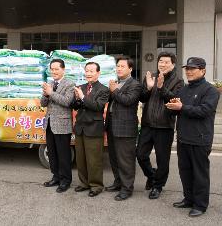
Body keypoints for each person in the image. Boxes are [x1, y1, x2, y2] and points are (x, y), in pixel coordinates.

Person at [166, 57, 219, 217]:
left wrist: (182, 107)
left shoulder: (211, 91)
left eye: (192, 69)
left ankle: (200, 205)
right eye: (187, 69)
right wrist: (172, 107)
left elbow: (204, 111)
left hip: (200, 139)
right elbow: (178, 109)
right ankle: (188, 199)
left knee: (200, 174)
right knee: (185, 171)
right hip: (183, 138)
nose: (188, 71)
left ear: (202, 70)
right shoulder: (183, 90)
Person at [137, 52, 184, 199]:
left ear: (173, 64)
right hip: (147, 124)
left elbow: (174, 100)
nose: (162, 64)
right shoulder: (151, 77)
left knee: (162, 159)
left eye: (166, 62)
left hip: (165, 126)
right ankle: (152, 175)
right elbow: (142, 98)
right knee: (140, 155)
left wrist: (161, 87)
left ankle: (158, 186)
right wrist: (150, 88)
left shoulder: (178, 81)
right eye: (160, 61)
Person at [105, 56, 141, 201]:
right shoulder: (117, 83)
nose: (119, 69)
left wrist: (114, 91)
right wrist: (112, 90)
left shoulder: (135, 85)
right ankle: (118, 182)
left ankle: (127, 188)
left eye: (122, 66)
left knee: (125, 159)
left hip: (126, 128)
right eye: (118, 66)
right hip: (112, 125)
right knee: (114, 158)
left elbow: (128, 101)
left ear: (130, 69)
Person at [71, 62, 109, 197]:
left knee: (94, 159)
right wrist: (76, 99)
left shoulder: (104, 89)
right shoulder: (81, 87)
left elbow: (98, 107)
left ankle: (96, 185)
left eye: (92, 71)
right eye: (87, 71)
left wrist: (82, 97)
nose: (88, 73)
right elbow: (75, 106)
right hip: (80, 127)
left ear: (98, 73)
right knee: (80, 159)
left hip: (94, 128)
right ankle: (83, 183)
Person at [41, 58, 75, 193]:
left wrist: (51, 93)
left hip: (62, 124)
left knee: (63, 154)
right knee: (52, 153)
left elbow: (67, 102)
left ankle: (66, 180)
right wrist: (45, 94)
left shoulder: (69, 84)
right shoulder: (50, 83)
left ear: (63, 70)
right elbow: (43, 103)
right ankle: (56, 177)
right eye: (52, 69)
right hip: (49, 124)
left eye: (56, 69)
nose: (54, 71)